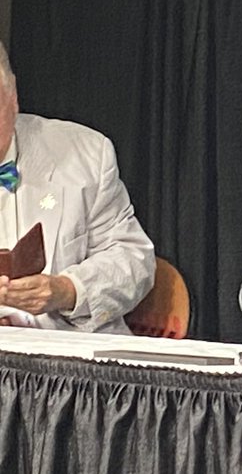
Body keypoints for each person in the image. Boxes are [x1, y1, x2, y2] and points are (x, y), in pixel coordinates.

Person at [0, 39, 155, 331]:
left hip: (65, 361)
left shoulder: (85, 155)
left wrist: (68, 290)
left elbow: (134, 261)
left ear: (13, 98)